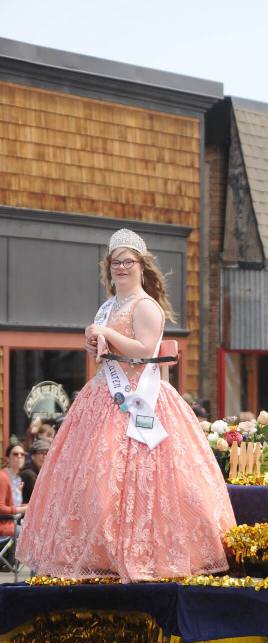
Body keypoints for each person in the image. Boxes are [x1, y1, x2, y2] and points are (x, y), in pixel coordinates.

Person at [16, 228, 237, 583]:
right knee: (95, 481)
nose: (121, 267)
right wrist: (95, 344)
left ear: (141, 266)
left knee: (150, 479)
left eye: (127, 261)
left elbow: (146, 349)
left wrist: (107, 335)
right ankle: (99, 553)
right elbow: (112, 351)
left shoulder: (146, 305)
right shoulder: (109, 306)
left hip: (142, 398)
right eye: (115, 262)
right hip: (104, 393)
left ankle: (147, 553)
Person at [2, 443, 29, 539]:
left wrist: (25, 506)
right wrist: (22, 509)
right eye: (15, 454)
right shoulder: (3, 477)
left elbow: (11, 505)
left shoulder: (17, 479)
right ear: (7, 459)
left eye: (22, 454)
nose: (19, 457)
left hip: (12, 523)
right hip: (4, 527)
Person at [18, 438, 49, 503]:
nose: (45, 456)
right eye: (41, 453)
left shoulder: (43, 472)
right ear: (33, 456)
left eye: (47, 453)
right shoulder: (29, 474)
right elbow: (43, 496)